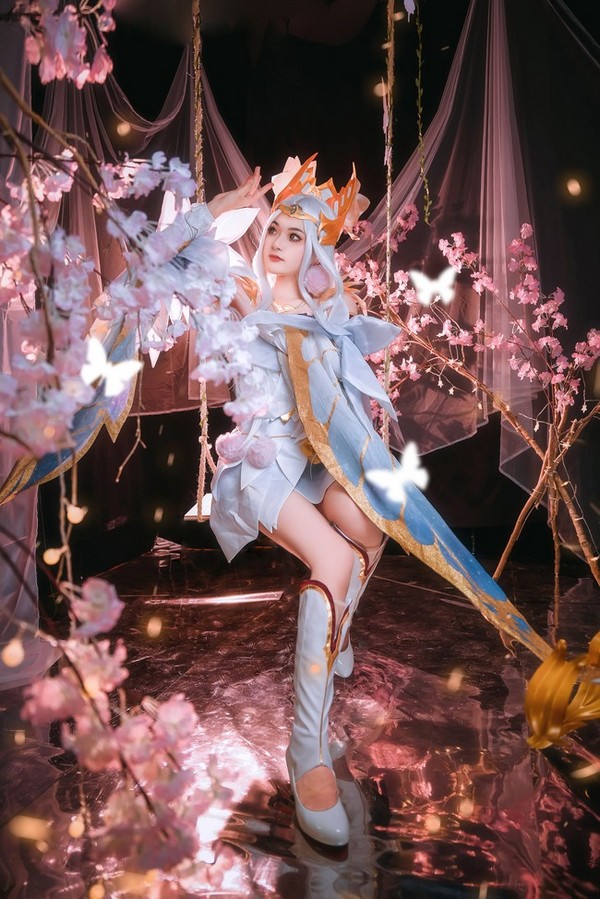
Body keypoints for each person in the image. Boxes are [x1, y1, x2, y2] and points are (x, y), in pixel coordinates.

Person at [180, 156, 549, 848]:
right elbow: (158, 258)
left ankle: (335, 634)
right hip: (259, 469)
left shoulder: (326, 315)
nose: (277, 241)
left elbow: (339, 413)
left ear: (315, 252)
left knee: (371, 529)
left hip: (310, 466)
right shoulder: (242, 289)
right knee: (335, 561)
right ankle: (307, 747)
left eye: (295, 235)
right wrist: (218, 207)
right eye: (275, 228)